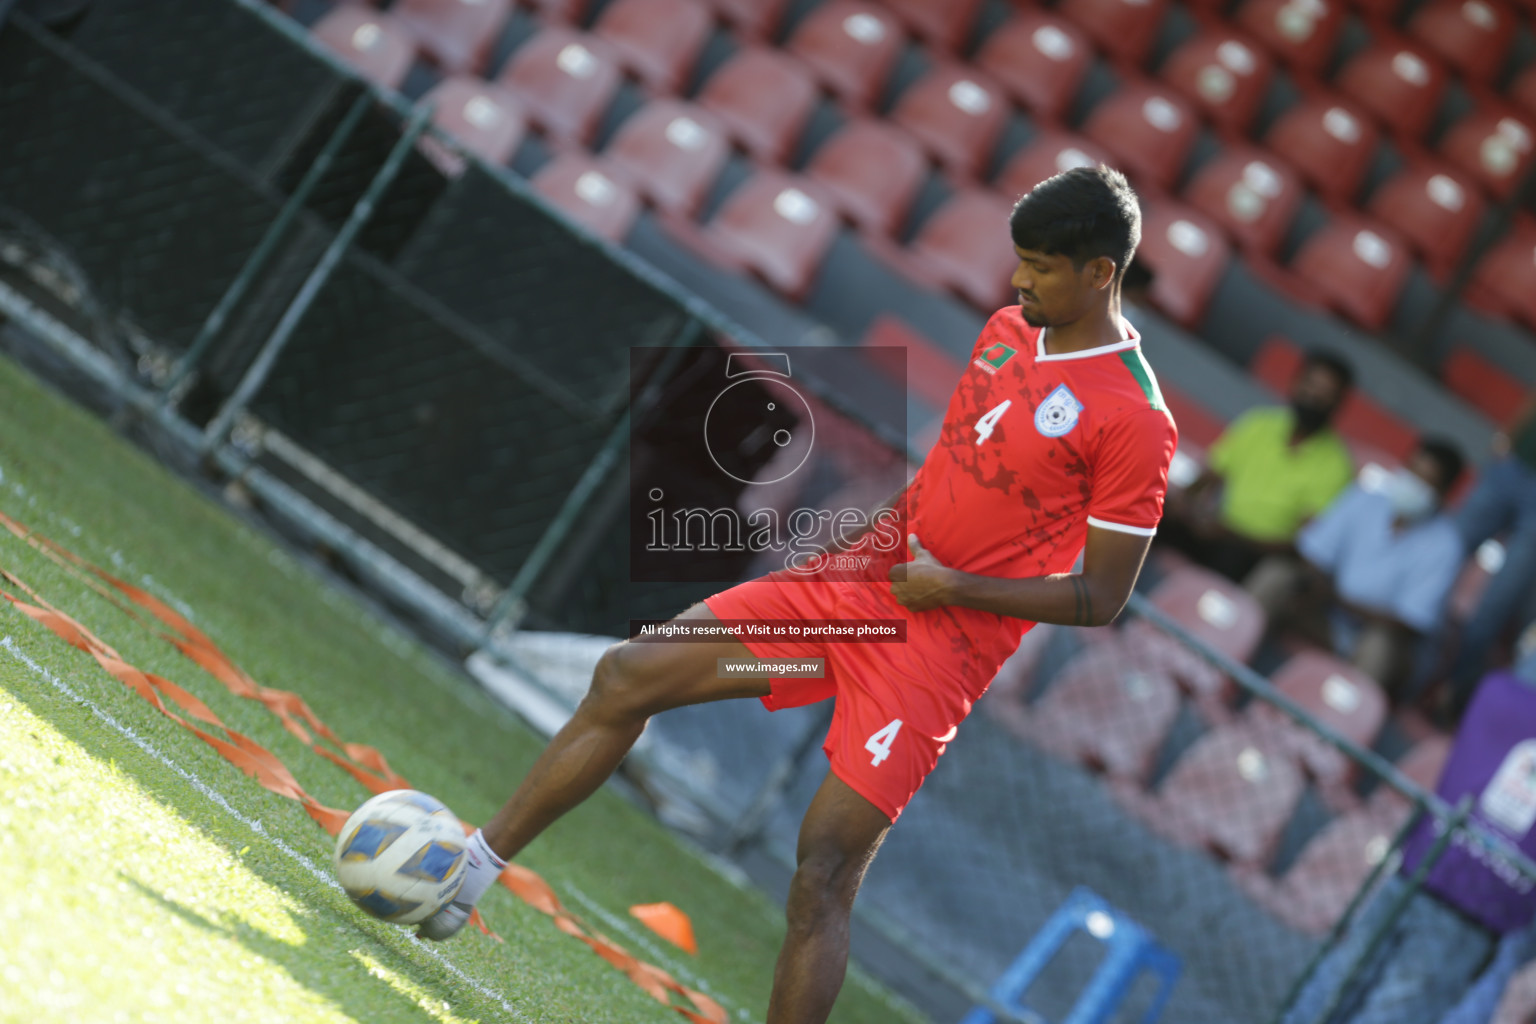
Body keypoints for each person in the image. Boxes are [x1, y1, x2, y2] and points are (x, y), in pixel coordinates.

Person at [407, 166, 1179, 1024]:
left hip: (934, 652)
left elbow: (1101, 597)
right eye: (1018, 261)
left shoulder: (1138, 420)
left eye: (1038, 265)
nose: (1018, 280)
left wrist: (952, 584)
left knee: (822, 874)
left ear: (1099, 273)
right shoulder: (1004, 330)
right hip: (848, 594)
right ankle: (463, 876)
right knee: (631, 673)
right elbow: (948, 469)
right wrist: (856, 547)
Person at [1282, 642, 1536, 1024]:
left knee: (1338, 979)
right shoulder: (1503, 694)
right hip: (1475, 901)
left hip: (1429, 865)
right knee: (1387, 1006)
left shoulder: (1497, 692)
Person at [1245, 438, 1466, 697]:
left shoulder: (1447, 546)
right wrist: (1317, 586)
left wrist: (1336, 597)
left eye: (1426, 481)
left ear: (1444, 493)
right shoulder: (1366, 499)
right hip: (1325, 616)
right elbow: (1314, 553)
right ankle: (1223, 665)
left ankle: (1337, 729)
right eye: (1412, 471)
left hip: (1371, 641)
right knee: (1278, 574)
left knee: (1379, 646)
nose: (1413, 483)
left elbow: (1408, 622)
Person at [1163, 350, 1356, 581]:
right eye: (1310, 384)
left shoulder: (1337, 466)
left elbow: (1301, 543)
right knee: (1155, 512)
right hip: (1215, 527)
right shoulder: (1260, 423)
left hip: (1257, 552)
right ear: (1296, 382)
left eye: (1326, 393)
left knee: (1231, 558)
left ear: (1338, 403)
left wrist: (1231, 535)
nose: (1313, 396)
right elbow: (1211, 474)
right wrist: (1185, 503)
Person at [1445, 389, 1536, 717]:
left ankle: (1453, 694)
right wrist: (1506, 439)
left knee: (1497, 604)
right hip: (1515, 465)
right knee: (1444, 553)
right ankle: (1413, 661)